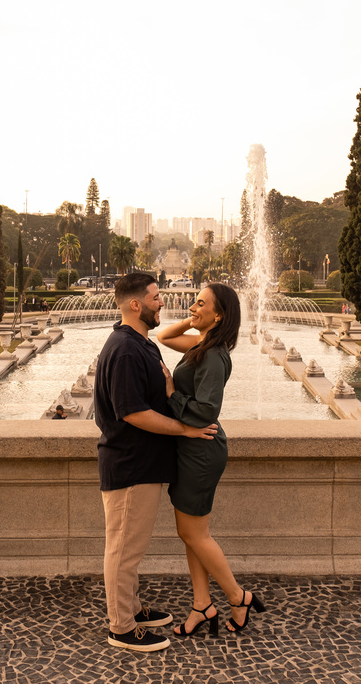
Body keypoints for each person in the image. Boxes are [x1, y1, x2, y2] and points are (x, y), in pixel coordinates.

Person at [93, 272, 218, 653]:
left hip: (142, 463)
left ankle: (130, 608)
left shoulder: (139, 342)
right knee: (123, 548)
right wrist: (184, 429)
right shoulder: (127, 349)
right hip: (131, 465)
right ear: (136, 305)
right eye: (155, 297)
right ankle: (122, 628)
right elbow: (133, 413)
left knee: (131, 546)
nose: (162, 301)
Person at [158, 283, 266, 638]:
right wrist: (195, 318)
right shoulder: (202, 345)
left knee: (193, 532)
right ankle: (202, 606)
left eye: (201, 302)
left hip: (201, 450)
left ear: (219, 315)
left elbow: (206, 411)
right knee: (191, 534)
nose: (192, 305)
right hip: (190, 449)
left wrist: (172, 392)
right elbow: (164, 336)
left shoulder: (215, 356)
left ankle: (238, 596)